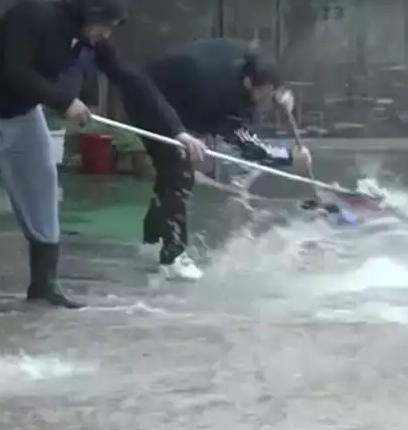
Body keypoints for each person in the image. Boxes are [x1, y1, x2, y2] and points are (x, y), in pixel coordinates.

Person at [0, 0, 206, 312]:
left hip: (23, 113)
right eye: (106, 26)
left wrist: (178, 131)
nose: (107, 35)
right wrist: (64, 101)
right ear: (91, 14)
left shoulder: (88, 42)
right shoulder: (35, 13)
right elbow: (16, 70)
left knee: (42, 184)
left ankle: (44, 283)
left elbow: (131, 78)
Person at [129, 39, 309, 281]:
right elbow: (249, 148)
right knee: (178, 172)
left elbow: (267, 76)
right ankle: (173, 256)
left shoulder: (248, 60)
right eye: (266, 94)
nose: (269, 100)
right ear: (248, 84)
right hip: (149, 100)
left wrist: (282, 91)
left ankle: (152, 242)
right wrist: (290, 157)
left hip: (173, 87)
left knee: (168, 173)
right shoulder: (221, 96)